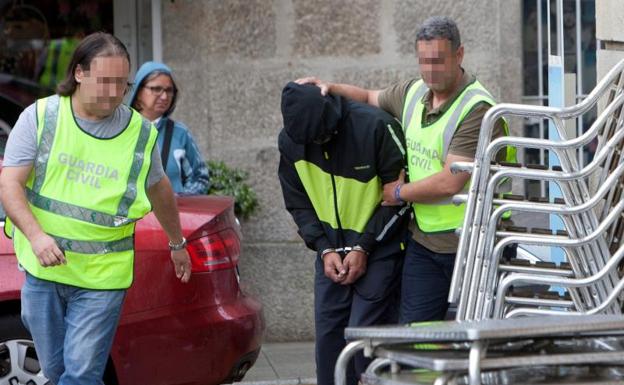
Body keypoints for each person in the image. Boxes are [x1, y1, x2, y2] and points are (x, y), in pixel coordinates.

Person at [0, 32, 191, 385]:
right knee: (58, 372)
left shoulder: (140, 133)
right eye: (104, 80)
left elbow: (159, 189)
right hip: (44, 271)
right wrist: (37, 237)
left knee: (82, 375)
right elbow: (9, 184)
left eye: (121, 82)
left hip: (102, 277)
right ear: (79, 73)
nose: (114, 91)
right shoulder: (40, 117)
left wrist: (177, 243)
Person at [296, 16, 516, 323]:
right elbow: (370, 97)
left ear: (459, 54)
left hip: (474, 245)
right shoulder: (414, 93)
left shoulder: (477, 108)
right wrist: (328, 87)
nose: (429, 70)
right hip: (426, 243)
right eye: (423, 61)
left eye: (438, 61)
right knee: (416, 338)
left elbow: (450, 182)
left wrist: (398, 192)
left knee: (470, 343)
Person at [278, 82, 409, 385]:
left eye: (323, 136)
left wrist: (363, 247)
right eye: (310, 140)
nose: (318, 143)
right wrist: (324, 248)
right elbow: (298, 203)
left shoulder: (376, 126)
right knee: (329, 344)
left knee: (364, 339)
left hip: (380, 249)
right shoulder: (291, 141)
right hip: (331, 255)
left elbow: (401, 199)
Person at [128, 61, 210, 195]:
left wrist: (180, 199)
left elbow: (199, 177)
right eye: (156, 89)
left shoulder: (180, 133)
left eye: (169, 90)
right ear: (138, 92)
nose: (164, 96)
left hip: (173, 214)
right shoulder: (121, 131)